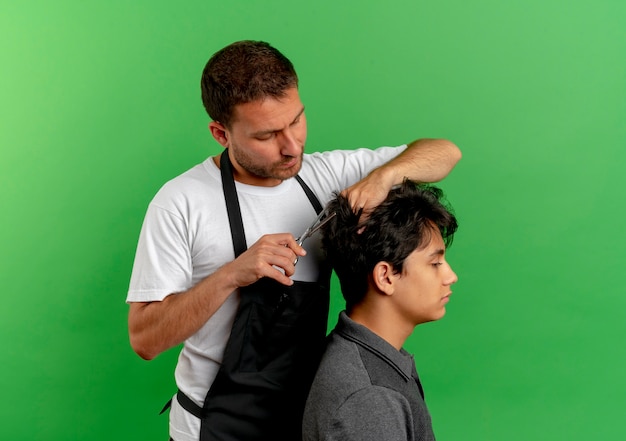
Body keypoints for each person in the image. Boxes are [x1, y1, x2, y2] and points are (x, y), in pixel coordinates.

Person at [126, 40, 461, 441]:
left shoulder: (323, 176)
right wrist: (232, 275)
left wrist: (384, 176)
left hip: (304, 417)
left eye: (296, 121)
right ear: (221, 133)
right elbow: (145, 339)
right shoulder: (181, 203)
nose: (291, 146)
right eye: (267, 135)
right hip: (218, 425)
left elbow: (444, 152)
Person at [302, 180, 459, 441]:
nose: (450, 276)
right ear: (386, 277)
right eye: (435, 263)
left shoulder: (373, 358)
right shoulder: (369, 398)